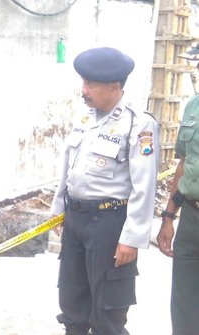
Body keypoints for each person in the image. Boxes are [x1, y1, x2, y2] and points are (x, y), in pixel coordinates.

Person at [50, 47, 159, 335]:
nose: (83, 90)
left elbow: (144, 185)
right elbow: (68, 167)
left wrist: (132, 239)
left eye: (91, 85)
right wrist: (58, 209)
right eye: (83, 83)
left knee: (107, 311)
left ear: (115, 86)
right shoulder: (85, 117)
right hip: (76, 219)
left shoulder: (139, 124)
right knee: (72, 302)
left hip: (109, 224)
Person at [156, 44, 199, 335]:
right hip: (192, 222)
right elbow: (184, 163)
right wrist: (169, 216)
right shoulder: (193, 106)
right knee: (184, 309)